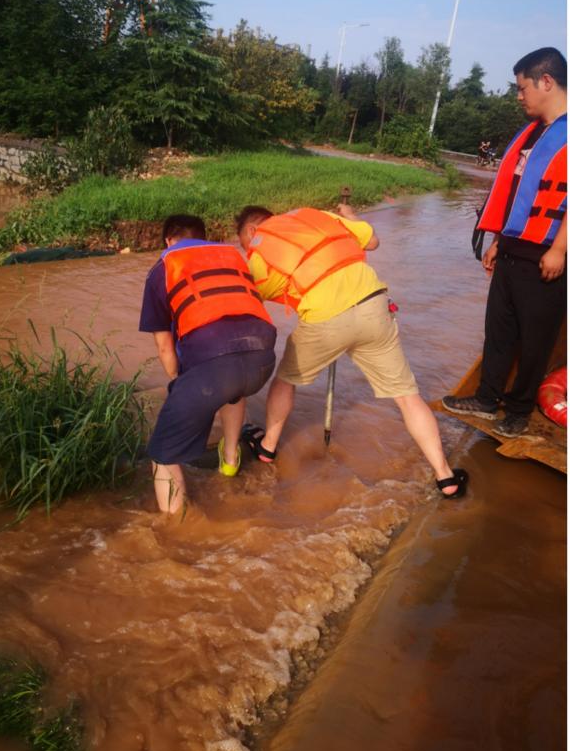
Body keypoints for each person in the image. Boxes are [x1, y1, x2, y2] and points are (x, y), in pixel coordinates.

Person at [235, 204, 468, 498]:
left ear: (253, 231)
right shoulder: (316, 216)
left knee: (286, 380)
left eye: (246, 245)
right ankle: (445, 477)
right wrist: (350, 215)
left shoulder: (261, 246)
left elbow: (252, 295)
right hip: (374, 305)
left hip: (324, 318)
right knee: (408, 398)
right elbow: (372, 241)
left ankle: (267, 447)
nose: (249, 251)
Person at [443, 47, 567, 437]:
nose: (518, 96)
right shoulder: (532, 135)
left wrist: (560, 249)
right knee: (499, 329)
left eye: (522, 87)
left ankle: (518, 410)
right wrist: (498, 241)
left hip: (546, 252)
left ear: (546, 82)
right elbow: (516, 194)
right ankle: (486, 397)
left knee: (535, 338)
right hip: (513, 248)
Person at [139, 214, 276, 514]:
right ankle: (229, 465)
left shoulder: (164, 268)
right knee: (233, 391)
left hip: (214, 366)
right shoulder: (233, 257)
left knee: (162, 454)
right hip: (263, 358)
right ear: (203, 237)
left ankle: (176, 527)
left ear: (169, 241)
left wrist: (180, 382)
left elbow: (164, 346)